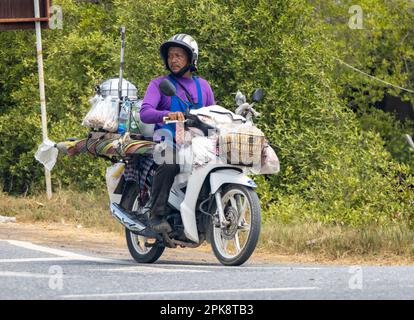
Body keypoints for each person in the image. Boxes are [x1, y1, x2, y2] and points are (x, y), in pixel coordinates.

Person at [139, 34, 215, 233]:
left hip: (197, 144)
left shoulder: (204, 86)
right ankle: (156, 215)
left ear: (191, 59)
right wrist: (167, 115)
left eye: (179, 55)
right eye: (171, 56)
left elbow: (212, 114)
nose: (174, 60)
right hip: (167, 140)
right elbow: (145, 112)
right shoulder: (159, 84)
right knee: (170, 160)